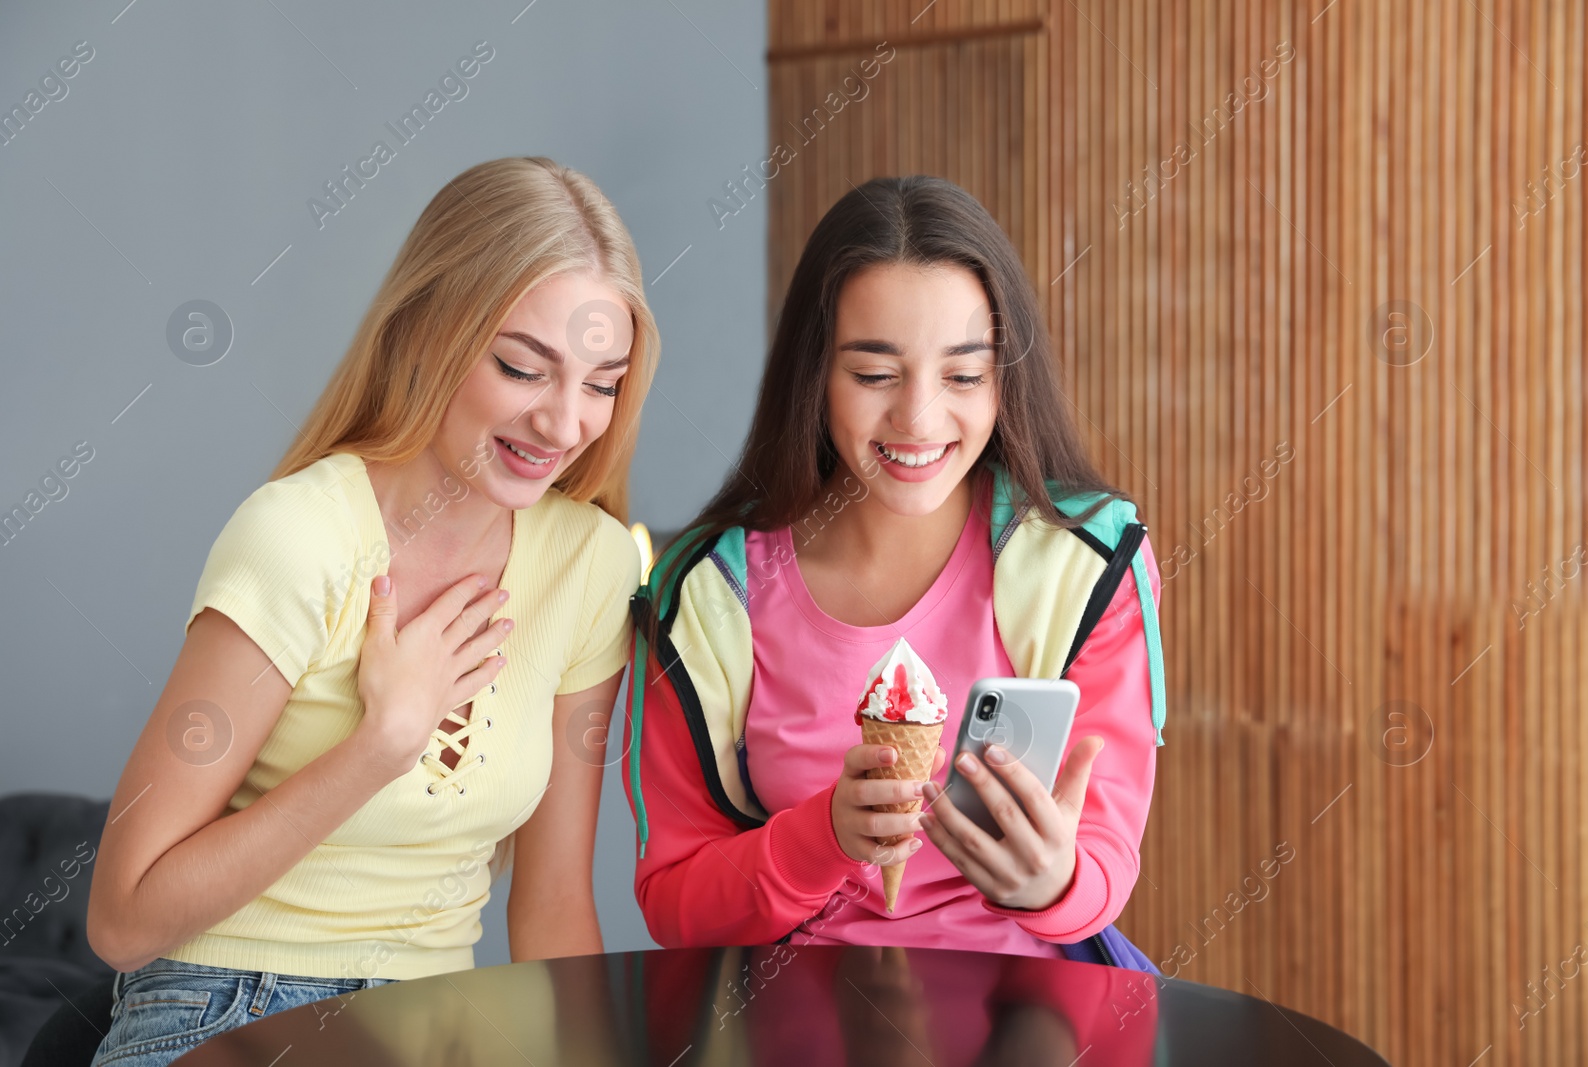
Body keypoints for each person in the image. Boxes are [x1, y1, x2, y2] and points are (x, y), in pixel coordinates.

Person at [84, 156, 659, 1066]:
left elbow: (552, 904)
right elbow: (122, 920)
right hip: (220, 1009)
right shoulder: (298, 539)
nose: (564, 423)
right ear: (429, 332)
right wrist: (379, 747)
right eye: (522, 367)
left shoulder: (588, 565)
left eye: (601, 383)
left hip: (441, 1023)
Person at [622, 175, 1165, 966]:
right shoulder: (704, 595)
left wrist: (1055, 880)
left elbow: (1106, 860)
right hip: (792, 1012)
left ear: (1005, 378)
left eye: (964, 374)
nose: (918, 419)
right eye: (875, 374)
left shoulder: (1087, 561)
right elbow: (674, 903)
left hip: (1032, 1005)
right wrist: (823, 837)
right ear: (814, 376)